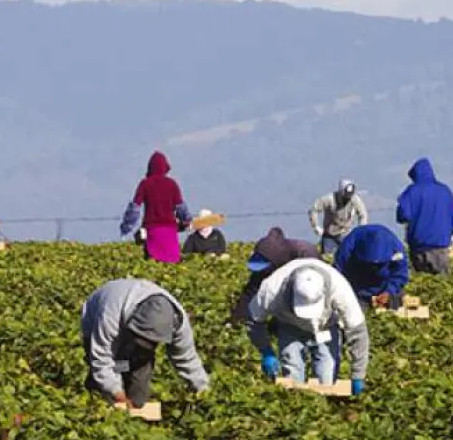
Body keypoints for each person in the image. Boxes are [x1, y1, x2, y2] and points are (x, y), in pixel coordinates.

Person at [247, 258, 369, 394]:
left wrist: (358, 375)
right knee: (292, 377)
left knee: (327, 379)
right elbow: (254, 321)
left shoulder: (339, 287)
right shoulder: (272, 288)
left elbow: (358, 333)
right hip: (290, 326)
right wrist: (266, 351)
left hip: (326, 327)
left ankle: (324, 409)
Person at [81, 279, 209, 407]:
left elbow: (187, 360)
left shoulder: (178, 324)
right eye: (140, 339)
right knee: (109, 371)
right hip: (97, 316)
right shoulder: (109, 316)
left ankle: (137, 405)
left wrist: (204, 392)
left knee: (140, 363)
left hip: (124, 310)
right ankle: (95, 401)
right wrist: (119, 396)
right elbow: (102, 360)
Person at [231, 227, 320, 324]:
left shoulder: (305, 253)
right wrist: (237, 317)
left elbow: (312, 290)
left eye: (265, 266)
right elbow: (251, 290)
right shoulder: (265, 258)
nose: (262, 271)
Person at [120, 151, 190, 264]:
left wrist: (126, 228)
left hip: (152, 231)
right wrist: (187, 221)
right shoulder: (172, 184)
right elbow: (181, 208)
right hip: (170, 232)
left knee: (153, 263)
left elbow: (134, 209)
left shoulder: (145, 184)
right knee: (172, 263)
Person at [395, 157, 453, 275]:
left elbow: (403, 215)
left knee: (422, 284)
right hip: (441, 247)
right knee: (441, 285)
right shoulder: (445, 191)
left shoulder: (412, 191)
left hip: (418, 246)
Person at [333, 224, 409, 310]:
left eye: (378, 265)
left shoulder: (396, 248)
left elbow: (400, 274)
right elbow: (338, 274)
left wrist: (389, 291)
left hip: (385, 286)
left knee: (395, 306)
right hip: (358, 289)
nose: (374, 268)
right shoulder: (349, 245)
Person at [309, 179, 368, 255]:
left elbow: (363, 214)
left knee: (349, 257)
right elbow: (314, 209)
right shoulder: (329, 199)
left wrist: (360, 229)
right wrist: (316, 226)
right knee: (328, 258)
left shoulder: (354, 199)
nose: (347, 198)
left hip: (346, 235)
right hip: (330, 236)